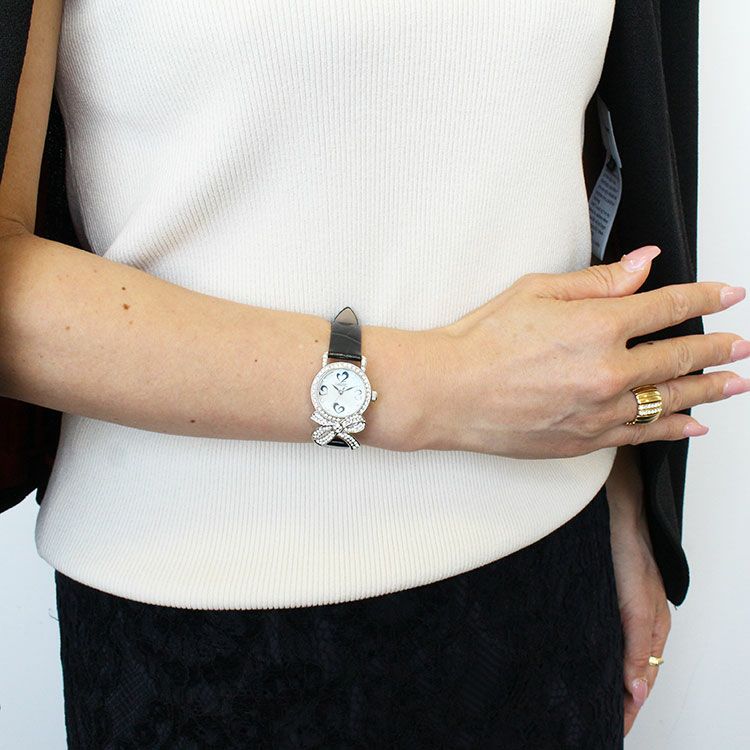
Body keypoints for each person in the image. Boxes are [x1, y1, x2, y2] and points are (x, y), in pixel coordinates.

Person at [1, 0, 744, 747]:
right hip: (198, 631)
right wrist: (444, 385)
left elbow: (589, 141)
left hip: (552, 579)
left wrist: (625, 485)